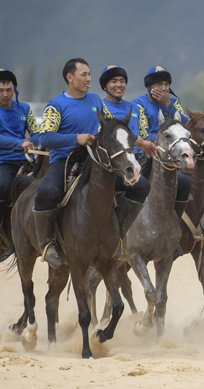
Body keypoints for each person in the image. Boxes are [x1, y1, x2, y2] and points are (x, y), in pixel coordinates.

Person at [35, 58, 150, 269]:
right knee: (47, 192)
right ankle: (47, 244)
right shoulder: (55, 105)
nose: (89, 79)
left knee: (141, 185)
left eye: (89, 74)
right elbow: (44, 138)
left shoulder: (96, 100)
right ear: (70, 78)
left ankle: (118, 235)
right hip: (65, 161)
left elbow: (110, 126)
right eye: (84, 75)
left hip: (96, 162)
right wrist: (75, 138)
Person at [134, 66, 204, 218]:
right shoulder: (139, 104)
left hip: (177, 155)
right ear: (150, 87)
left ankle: (200, 220)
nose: (164, 88)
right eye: (159, 84)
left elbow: (187, 127)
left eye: (167, 85)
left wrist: (168, 105)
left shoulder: (173, 102)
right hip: (150, 156)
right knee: (138, 186)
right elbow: (144, 134)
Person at [0, 69, 40, 256]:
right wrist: (21, 142)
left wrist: (35, 142)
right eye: (1, 90)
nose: (5, 94)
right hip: (1, 161)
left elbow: (36, 133)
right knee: (2, 185)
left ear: (14, 90)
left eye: (9, 90)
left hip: (26, 160)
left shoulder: (25, 109)